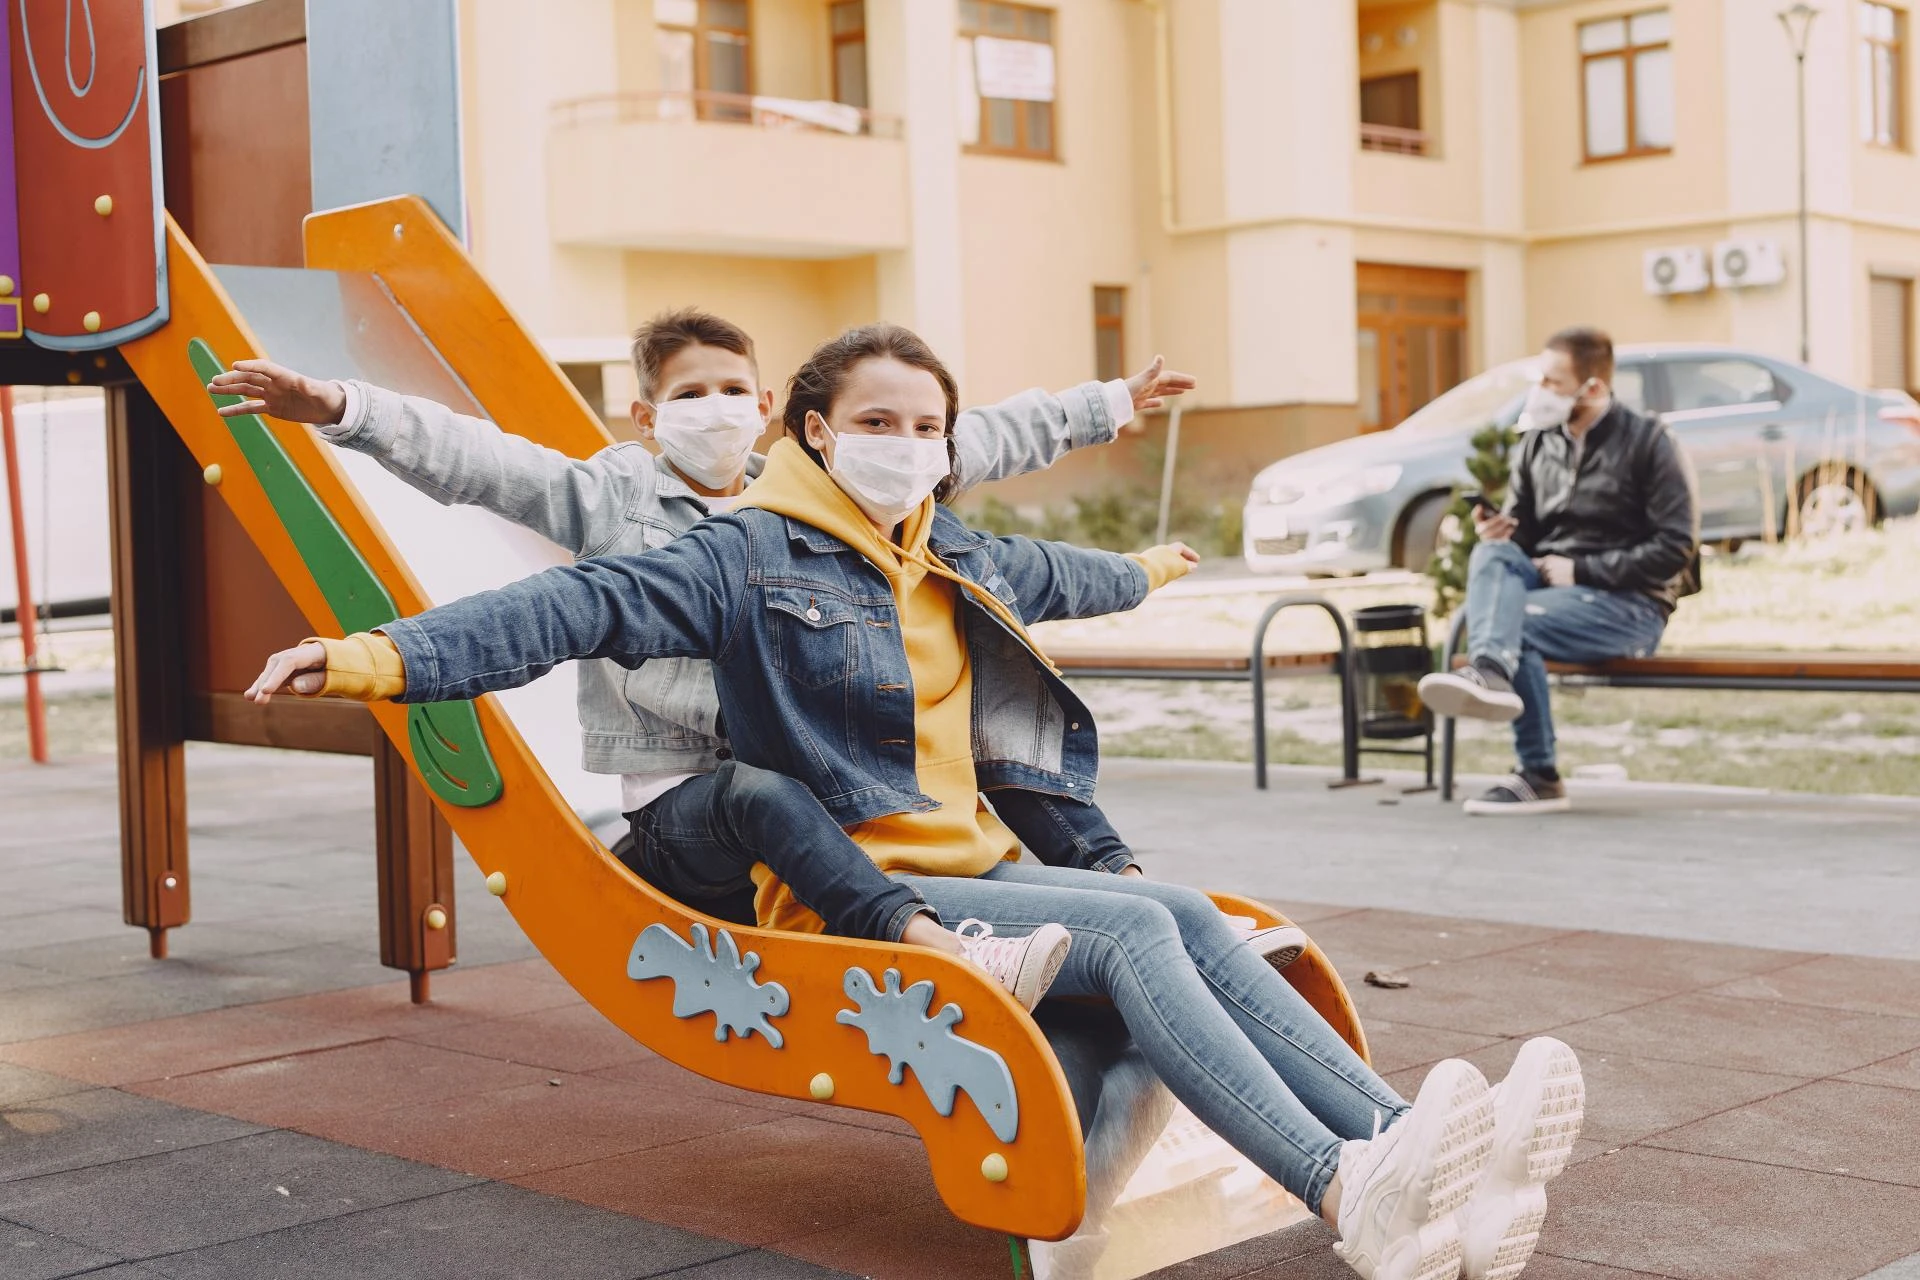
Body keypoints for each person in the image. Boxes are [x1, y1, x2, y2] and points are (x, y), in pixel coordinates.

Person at [244, 324, 1586, 1279]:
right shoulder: (742, 555)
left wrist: (1154, 567)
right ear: (814, 432)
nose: (907, 444)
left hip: (977, 864)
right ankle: (1348, 1184)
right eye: (876, 423)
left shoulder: (946, 554)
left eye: (927, 426)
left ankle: (1412, 1152)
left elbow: (1063, 575)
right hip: (856, 885)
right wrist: (380, 656)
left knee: (1176, 906)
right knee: (1134, 933)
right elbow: (573, 604)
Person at [1418, 326, 1699, 816]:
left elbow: (1676, 548)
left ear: (1593, 388)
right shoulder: (1538, 442)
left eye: (1553, 382)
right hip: (1550, 594)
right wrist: (1504, 532)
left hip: (1630, 605)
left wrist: (1581, 570)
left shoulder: (1649, 442)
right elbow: (1524, 539)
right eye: (1540, 379)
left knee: (1515, 625)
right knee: (1492, 555)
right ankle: (1491, 673)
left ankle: (1539, 774)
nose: (1540, 391)